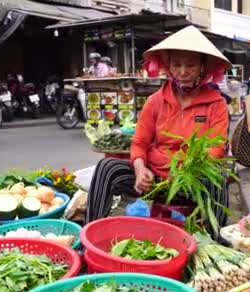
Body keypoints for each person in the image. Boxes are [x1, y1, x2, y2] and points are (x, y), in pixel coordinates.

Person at [86, 26, 230, 233]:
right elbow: (139, 143)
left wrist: (186, 170)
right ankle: (90, 236)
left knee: (217, 180)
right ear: (168, 66)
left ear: (202, 67)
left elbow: (216, 148)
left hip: (191, 181)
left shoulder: (216, 104)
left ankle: (216, 243)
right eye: (176, 64)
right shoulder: (155, 101)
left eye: (190, 65)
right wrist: (140, 170)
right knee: (107, 167)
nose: (182, 71)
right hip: (154, 178)